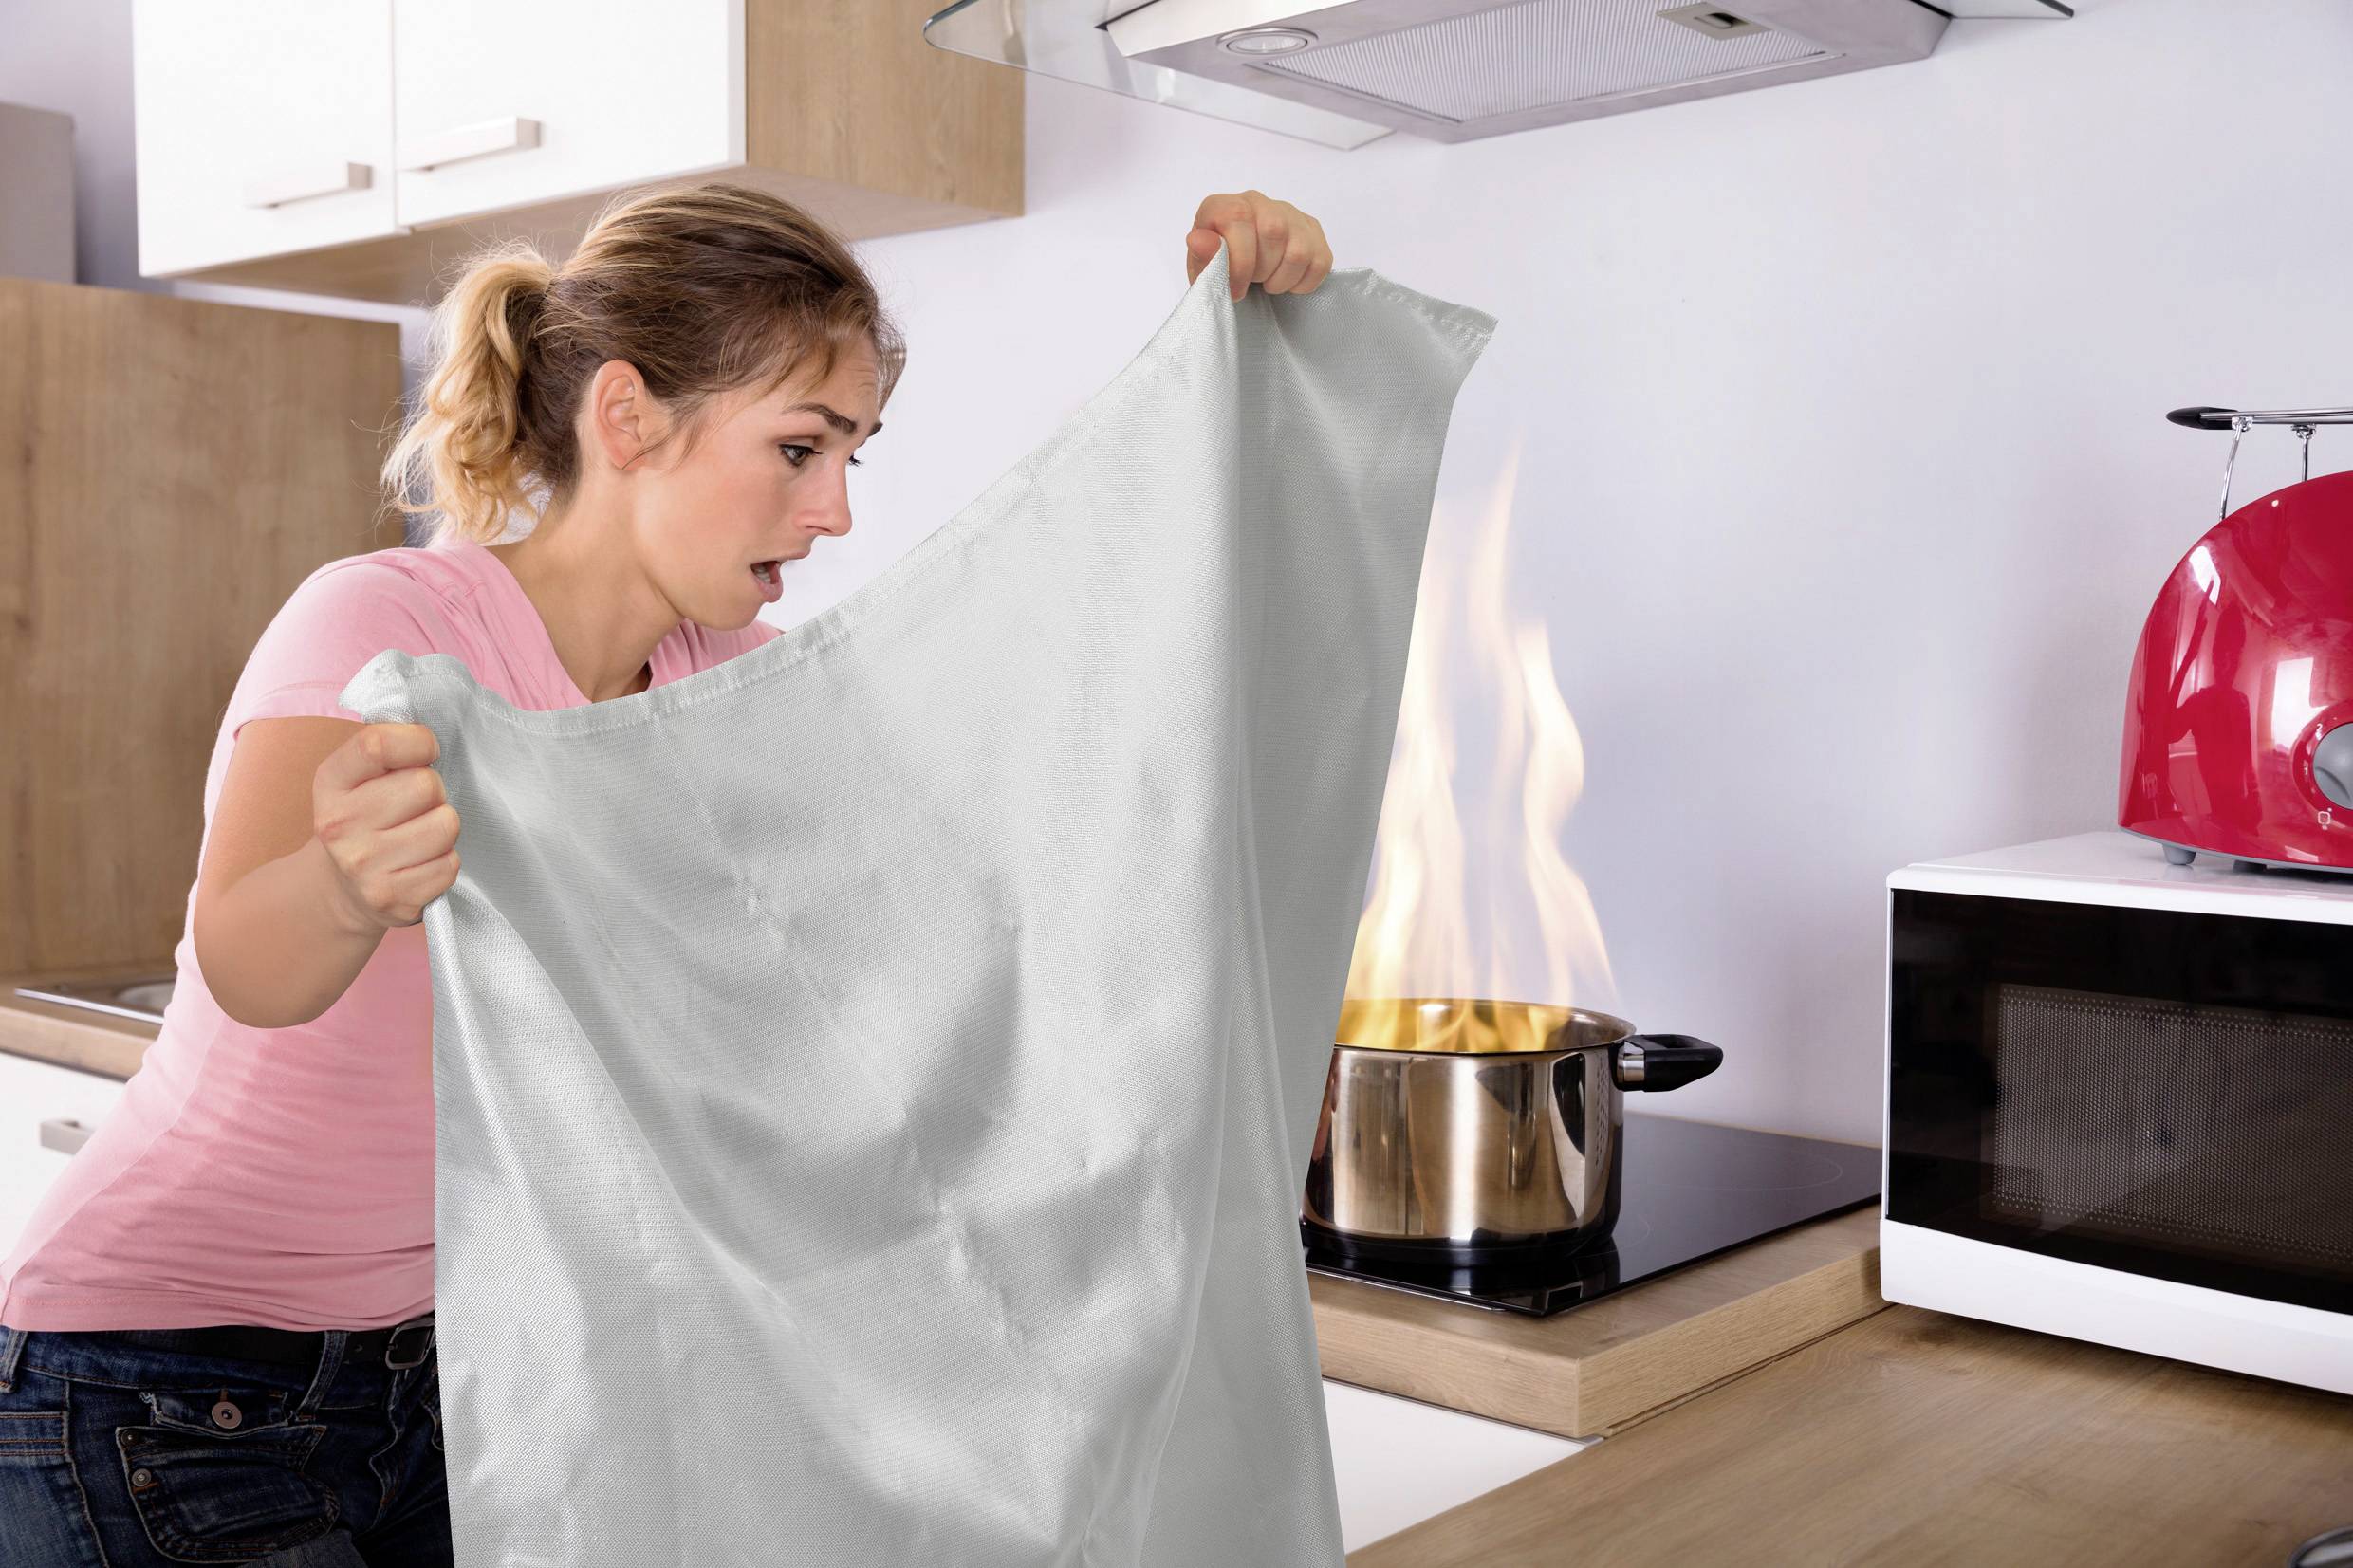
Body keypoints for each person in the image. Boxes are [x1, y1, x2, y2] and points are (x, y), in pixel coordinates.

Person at [0, 179, 1333, 1565]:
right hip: (163, 1389)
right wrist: (344, 886)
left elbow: (1044, 774)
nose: (833, 514)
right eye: (801, 448)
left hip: (455, 1377)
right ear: (628, 418)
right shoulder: (391, 622)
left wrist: (1225, 372)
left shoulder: (735, 699)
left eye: (854, 458)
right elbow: (244, 963)